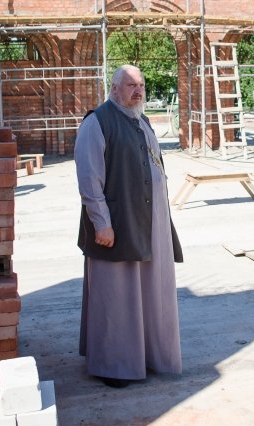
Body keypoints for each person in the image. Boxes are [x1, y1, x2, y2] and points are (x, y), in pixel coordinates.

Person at [75, 65, 182, 388]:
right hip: (117, 225)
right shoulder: (97, 122)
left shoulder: (142, 120)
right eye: (130, 85)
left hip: (151, 222)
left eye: (141, 85)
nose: (138, 91)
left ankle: (147, 356)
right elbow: (89, 179)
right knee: (116, 294)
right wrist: (102, 224)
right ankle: (114, 366)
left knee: (151, 291)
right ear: (114, 88)